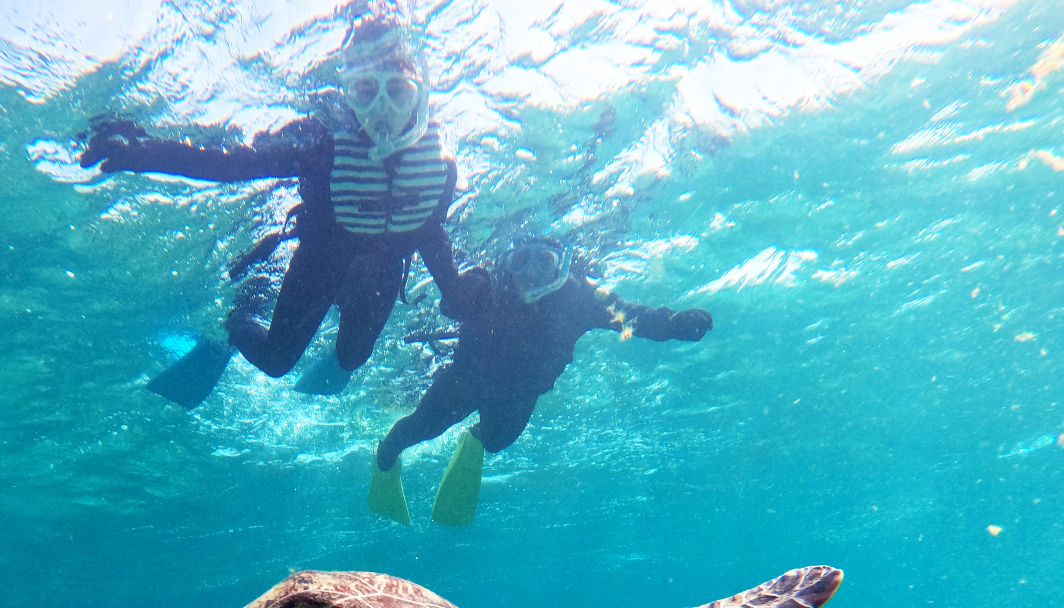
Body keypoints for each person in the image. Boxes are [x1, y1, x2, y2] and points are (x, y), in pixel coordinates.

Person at [77, 9, 475, 409]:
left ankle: (328, 329)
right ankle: (237, 323)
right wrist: (144, 153)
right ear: (347, 94)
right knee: (276, 362)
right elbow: (230, 165)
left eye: (400, 93)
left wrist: (454, 291)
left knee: (352, 359)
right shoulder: (323, 149)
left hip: (382, 272)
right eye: (366, 91)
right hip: (322, 262)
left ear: (420, 98)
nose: (384, 110)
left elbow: (429, 230)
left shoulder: (437, 169)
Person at [368, 237, 713, 526]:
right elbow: (451, 303)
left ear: (563, 266)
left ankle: (473, 438)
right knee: (420, 429)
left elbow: (633, 316)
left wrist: (672, 324)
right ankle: (386, 453)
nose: (531, 272)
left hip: (520, 395)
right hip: (464, 381)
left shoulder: (582, 298)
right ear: (506, 265)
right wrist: (462, 288)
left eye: (544, 261)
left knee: (497, 442)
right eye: (520, 260)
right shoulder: (488, 286)